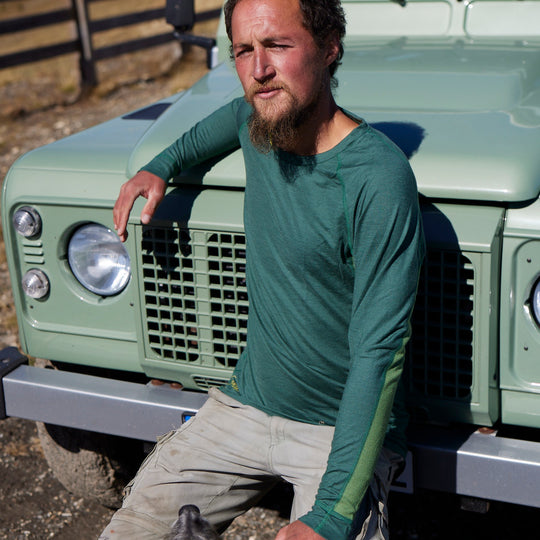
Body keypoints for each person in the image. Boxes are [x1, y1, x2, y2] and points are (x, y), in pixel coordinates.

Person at [100, 0, 424, 538]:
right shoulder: (260, 122)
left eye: (277, 45)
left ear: (329, 47)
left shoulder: (377, 176)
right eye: (243, 51)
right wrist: (159, 166)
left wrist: (331, 516)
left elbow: (379, 353)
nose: (258, 70)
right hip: (243, 405)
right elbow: (224, 120)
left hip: (339, 429)